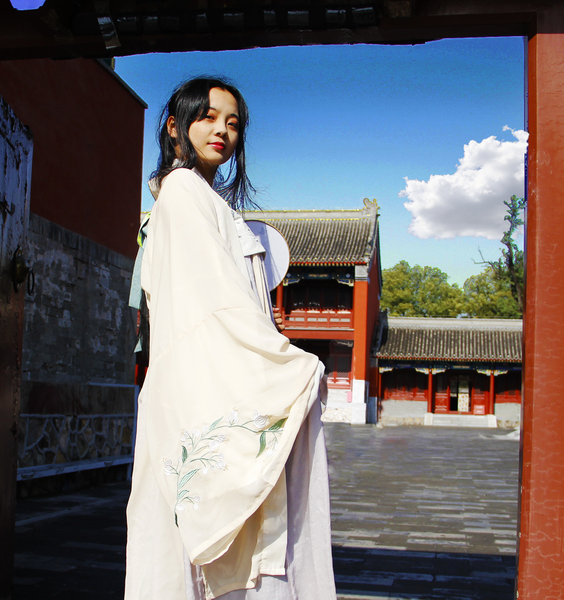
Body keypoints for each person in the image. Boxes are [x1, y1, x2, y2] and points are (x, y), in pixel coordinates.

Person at [124, 78, 336, 600]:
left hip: (203, 383)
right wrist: (287, 364)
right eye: (208, 116)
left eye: (233, 122)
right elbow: (211, 303)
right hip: (202, 384)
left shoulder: (202, 198)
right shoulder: (182, 191)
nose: (222, 130)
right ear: (175, 127)